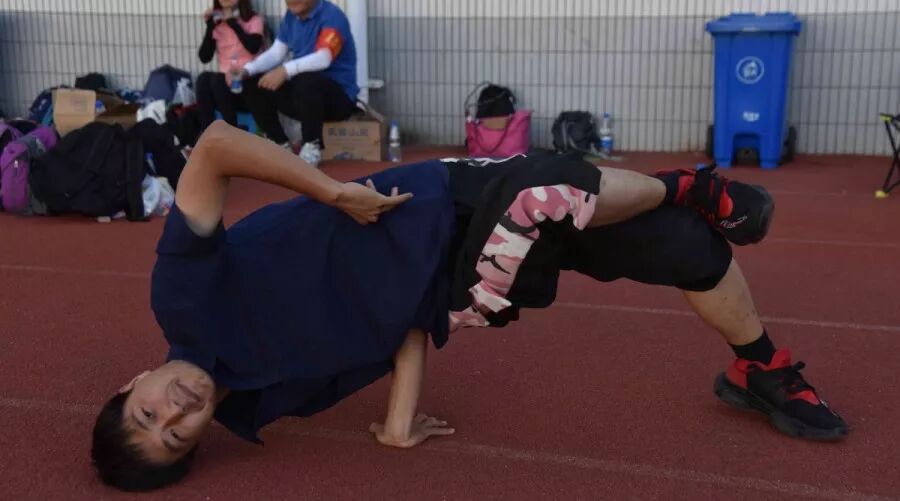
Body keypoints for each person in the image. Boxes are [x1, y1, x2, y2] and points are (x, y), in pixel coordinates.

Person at [90, 121, 848, 491]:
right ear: (198, 443)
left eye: (146, 412)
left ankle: (758, 366)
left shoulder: (182, 296)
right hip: (460, 284)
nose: (174, 412)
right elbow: (397, 330)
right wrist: (398, 423)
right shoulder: (270, 399)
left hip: (431, 199)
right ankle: (690, 185)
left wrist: (333, 191)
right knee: (543, 196)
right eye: (175, 437)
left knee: (684, 244)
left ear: (131, 384)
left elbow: (215, 146)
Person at [239, 0, 359, 167]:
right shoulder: (291, 17)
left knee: (306, 79)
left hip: (338, 100)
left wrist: (285, 70)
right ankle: (280, 144)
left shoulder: (332, 16)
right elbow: (275, 53)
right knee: (253, 82)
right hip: (304, 99)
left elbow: (324, 58)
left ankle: (312, 146)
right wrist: (247, 70)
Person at [195, 0, 268, 134]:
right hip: (224, 90)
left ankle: (232, 133)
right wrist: (210, 26)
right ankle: (206, 133)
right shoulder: (218, 23)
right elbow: (204, 57)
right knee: (204, 79)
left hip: (248, 84)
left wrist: (232, 22)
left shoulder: (254, 19)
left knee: (218, 80)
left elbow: (253, 47)